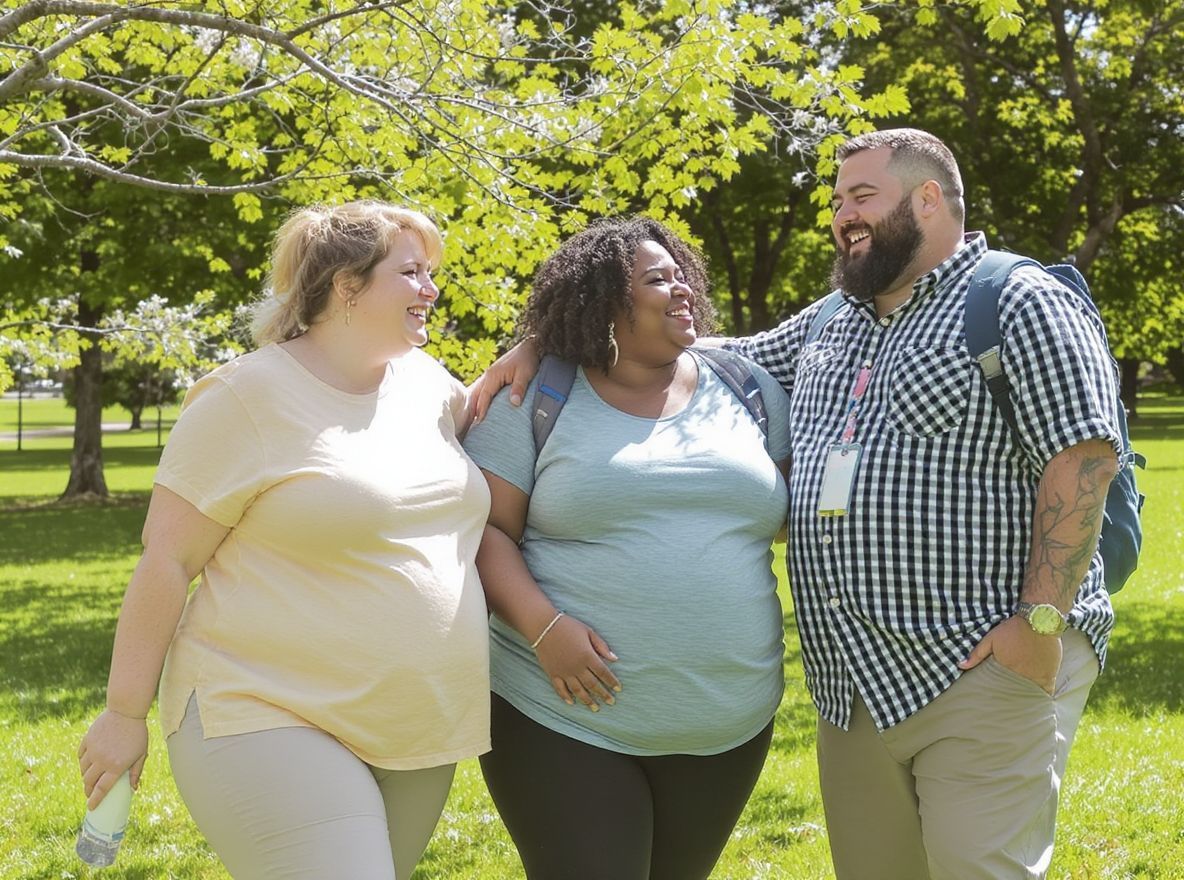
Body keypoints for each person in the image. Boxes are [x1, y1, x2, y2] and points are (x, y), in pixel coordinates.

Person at [470, 129, 1122, 880]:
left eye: (863, 196)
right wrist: (547, 339)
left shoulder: (1017, 300)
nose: (843, 214)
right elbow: (698, 353)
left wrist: (1039, 625)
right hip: (859, 683)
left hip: (980, 658)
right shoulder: (830, 322)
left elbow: (1084, 456)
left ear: (930, 198)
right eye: (839, 199)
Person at [77, 200, 492, 880]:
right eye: (412, 273)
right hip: (264, 710)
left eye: (430, 273)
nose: (431, 290)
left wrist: (541, 347)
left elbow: (495, 419)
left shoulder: (428, 387)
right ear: (346, 286)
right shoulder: (245, 396)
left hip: (417, 727)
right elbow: (167, 559)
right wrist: (123, 714)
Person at [461, 216, 792, 880]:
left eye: (682, 276)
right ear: (605, 302)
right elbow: (485, 531)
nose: (681, 290)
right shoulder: (534, 395)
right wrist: (543, 626)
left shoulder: (748, 386)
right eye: (656, 280)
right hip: (562, 716)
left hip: (729, 721)